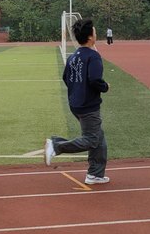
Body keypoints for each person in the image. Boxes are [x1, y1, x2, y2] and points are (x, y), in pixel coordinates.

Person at [44, 19, 110, 184]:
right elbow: (95, 80)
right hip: (88, 105)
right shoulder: (93, 56)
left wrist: (77, 91)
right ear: (90, 37)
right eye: (94, 32)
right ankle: (57, 145)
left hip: (75, 103)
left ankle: (95, 174)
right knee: (92, 139)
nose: (96, 34)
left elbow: (66, 77)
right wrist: (105, 87)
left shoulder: (73, 57)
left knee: (99, 138)